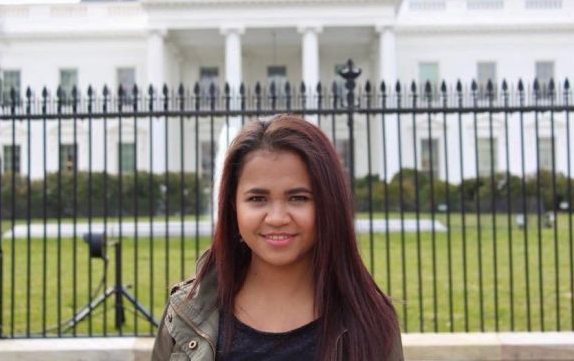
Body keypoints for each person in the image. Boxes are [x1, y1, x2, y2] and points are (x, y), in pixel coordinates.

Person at [152, 114, 403, 360]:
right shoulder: (187, 314)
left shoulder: (371, 322)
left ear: (328, 204)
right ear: (233, 206)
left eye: (298, 198)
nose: (277, 218)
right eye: (257, 199)